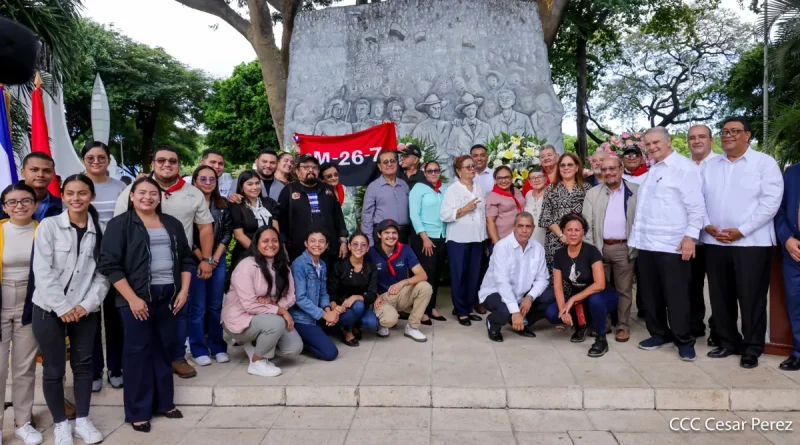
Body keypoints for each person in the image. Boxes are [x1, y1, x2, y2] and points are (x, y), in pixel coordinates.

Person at [99, 177, 192, 432]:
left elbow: (185, 258)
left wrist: (183, 291)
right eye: (142, 193)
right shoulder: (120, 225)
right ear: (131, 196)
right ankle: (138, 411)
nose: (147, 197)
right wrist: (132, 299)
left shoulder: (171, 223)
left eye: (153, 193)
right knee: (137, 353)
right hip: (135, 298)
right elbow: (109, 264)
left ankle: (164, 402)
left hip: (169, 297)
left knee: (164, 349)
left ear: (160, 197)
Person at [113, 145, 214, 379]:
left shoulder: (192, 193)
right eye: (161, 160)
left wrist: (207, 259)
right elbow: (119, 226)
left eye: (172, 161)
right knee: (141, 316)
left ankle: (177, 357)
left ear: (179, 165)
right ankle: (147, 360)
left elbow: (205, 227)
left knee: (178, 312)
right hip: (138, 267)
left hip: (178, 266)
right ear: (153, 164)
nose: (167, 164)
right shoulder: (133, 191)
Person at [32, 175, 108, 444]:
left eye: (83, 193)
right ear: (63, 196)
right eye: (71, 193)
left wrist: (85, 306)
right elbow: (42, 270)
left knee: (84, 364)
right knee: (53, 369)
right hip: (47, 308)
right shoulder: (49, 226)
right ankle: (61, 424)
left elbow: (103, 275)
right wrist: (62, 307)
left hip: (84, 309)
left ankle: (83, 420)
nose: (77, 198)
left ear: (92, 196)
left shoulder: (100, 230)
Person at [702, 117, 783, 369]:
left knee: (751, 298)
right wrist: (706, 224)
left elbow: (770, 202)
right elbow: (696, 199)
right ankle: (727, 342)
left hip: (752, 243)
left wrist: (742, 230)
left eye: (735, 131)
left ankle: (752, 347)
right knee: (720, 297)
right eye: (725, 131)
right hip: (715, 242)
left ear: (747, 135)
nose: (729, 135)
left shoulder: (764, 163)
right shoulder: (710, 165)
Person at [629, 127, 705, 361]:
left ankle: (683, 340)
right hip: (647, 243)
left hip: (672, 245)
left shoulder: (684, 168)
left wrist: (690, 237)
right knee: (651, 295)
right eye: (648, 144)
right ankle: (659, 333)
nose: (652, 148)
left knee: (677, 296)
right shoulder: (653, 169)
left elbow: (697, 208)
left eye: (656, 143)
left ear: (668, 141)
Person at [222, 225, 303, 377]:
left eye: (274, 240)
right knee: (277, 323)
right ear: (256, 243)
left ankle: (258, 344)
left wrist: (275, 306)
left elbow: (291, 296)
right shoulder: (246, 266)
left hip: (267, 315)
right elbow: (249, 305)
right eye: (265, 241)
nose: (270, 244)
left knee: (294, 347)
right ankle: (257, 362)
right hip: (240, 319)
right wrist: (280, 311)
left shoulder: (282, 266)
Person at [81, 141, 127, 392]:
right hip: (85, 262)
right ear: (84, 160)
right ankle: (94, 370)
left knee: (114, 318)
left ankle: (116, 369)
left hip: (115, 261)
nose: (96, 161)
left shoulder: (121, 187)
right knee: (89, 318)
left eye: (101, 157)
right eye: (91, 157)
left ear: (109, 160)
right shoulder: (77, 185)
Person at [0, 183, 43, 445]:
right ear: (4, 207)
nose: (20, 206)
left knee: (24, 367)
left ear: (35, 204)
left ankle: (22, 422)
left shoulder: (44, 231)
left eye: (26, 200)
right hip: (1, 299)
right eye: (12, 202)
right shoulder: (0, 230)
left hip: (30, 302)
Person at [545, 213, 618, 357]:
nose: (573, 234)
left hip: (603, 296)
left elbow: (600, 284)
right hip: (580, 299)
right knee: (552, 314)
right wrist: (563, 310)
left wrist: (572, 300)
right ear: (563, 231)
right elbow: (558, 287)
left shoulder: (592, 251)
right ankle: (581, 324)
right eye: (569, 230)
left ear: (583, 232)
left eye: (577, 230)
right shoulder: (559, 254)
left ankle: (601, 339)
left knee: (595, 299)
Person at [582, 157, 638, 342]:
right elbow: (586, 224)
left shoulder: (635, 191)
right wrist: (592, 251)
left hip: (624, 247)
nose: (608, 172)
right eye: (604, 169)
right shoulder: (592, 193)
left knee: (624, 289)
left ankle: (622, 325)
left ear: (621, 169)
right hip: (600, 247)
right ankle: (603, 323)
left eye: (612, 168)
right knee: (600, 288)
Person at [479, 212, 554, 342]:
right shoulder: (502, 247)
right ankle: (493, 323)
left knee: (551, 296)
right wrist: (514, 311)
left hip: (522, 294)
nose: (524, 230)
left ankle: (521, 322)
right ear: (514, 226)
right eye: (520, 226)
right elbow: (502, 282)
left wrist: (529, 298)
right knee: (506, 309)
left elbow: (543, 278)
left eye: (528, 226)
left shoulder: (537, 248)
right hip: (495, 293)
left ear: (533, 228)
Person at [187, 165, 233, 366]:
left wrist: (214, 257)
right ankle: (198, 348)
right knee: (198, 307)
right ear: (195, 180)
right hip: (195, 258)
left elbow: (227, 232)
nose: (207, 183)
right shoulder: (188, 204)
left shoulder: (222, 204)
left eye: (211, 179)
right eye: (203, 179)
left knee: (215, 306)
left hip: (218, 259)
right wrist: (203, 258)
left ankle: (217, 346)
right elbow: (187, 235)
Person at [441, 155, 487, 326]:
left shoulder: (479, 188)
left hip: (478, 238)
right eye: (467, 167)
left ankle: (468, 307)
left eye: (472, 166)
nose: (472, 169)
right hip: (458, 240)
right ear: (459, 171)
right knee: (459, 276)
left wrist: (485, 237)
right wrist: (464, 209)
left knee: (473, 275)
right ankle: (460, 311)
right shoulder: (452, 190)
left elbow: (482, 214)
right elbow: (445, 215)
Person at [367, 219, 432, 342]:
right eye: (387, 233)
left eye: (394, 232)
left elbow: (422, 275)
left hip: (400, 293)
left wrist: (403, 282)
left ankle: (412, 327)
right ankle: (383, 321)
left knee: (425, 286)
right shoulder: (371, 252)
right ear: (379, 235)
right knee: (390, 320)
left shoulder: (405, 249)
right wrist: (374, 296)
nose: (391, 236)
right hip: (381, 297)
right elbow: (365, 279)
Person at [277, 154, 348, 264]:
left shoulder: (327, 190)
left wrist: (343, 241)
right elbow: (282, 221)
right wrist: (283, 246)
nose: (310, 170)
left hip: (329, 251)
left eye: (314, 167)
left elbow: (338, 217)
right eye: (306, 167)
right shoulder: (289, 190)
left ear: (318, 171)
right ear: (297, 171)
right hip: (299, 251)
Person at [687, 125, 721, 346]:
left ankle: (718, 328)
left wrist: (708, 224)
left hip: (717, 237)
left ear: (711, 140)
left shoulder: (722, 164)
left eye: (701, 137)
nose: (696, 141)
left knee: (719, 287)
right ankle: (694, 325)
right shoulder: (682, 166)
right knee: (691, 285)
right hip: (690, 239)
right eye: (692, 137)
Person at [289, 230, 340, 361]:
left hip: (316, 316)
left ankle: (314, 335)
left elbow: (323, 292)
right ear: (306, 243)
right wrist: (324, 315)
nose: (317, 244)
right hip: (301, 318)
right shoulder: (299, 264)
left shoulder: (322, 265)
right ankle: (301, 343)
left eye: (321, 241)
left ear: (327, 245)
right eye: (313, 241)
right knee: (330, 353)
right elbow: (300, 299)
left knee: (340, 322)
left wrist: (328, 311)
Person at [409, 161, 448, 323]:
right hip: (425, 237)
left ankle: (432, 307)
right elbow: (414, 215)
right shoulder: (418, 188)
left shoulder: (445, 188)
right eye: (430, 171)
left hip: (442, 236)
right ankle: (422, 310)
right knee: (426, 274)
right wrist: (424, 237)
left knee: (437, 273)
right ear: (424, 173)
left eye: (436, 170)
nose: (433, 173)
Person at [539, 153, 591, 270]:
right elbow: (546, 216)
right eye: (562, 165)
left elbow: (591, 216)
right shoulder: (551, 188)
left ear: (577, 167)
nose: (566, 168)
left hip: (581, 240)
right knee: (558, 279)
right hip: (556, 241)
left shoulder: (586, 188)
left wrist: (576, 236)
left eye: (570, 165)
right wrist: (562, 235)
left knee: (580, 276)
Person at [328, 233, 381, 346]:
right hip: (341, 307)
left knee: (371, 323)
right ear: (349, 246)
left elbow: (372, 295)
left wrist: (355, 297)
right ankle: (347, 331)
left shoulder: (371, 267)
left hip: (360, 304)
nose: (359, 248)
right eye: (355, 244)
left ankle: (353, 325)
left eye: (363, 245)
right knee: (358, 305)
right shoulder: (339, 265)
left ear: (367, 248)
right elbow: (331, 291)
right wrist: (334, 306)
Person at [229, 170, 280, 272]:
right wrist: (259, 252)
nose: (255, 187)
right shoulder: (237, 206)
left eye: (257, 183)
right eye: (250, 184)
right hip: (246, 255)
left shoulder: (270, 203)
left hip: (270, 254)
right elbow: (239, 236)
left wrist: (272, 251)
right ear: (241, 186)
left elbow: (275, 231)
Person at [776, 161, 800, 371]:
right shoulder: (792, 173)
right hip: (794, 249)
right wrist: (787, 239)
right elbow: (780, 210)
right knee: (796, 303)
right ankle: (799, 352)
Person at [362, 150, 411, 246]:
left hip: (404, 235)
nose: (389, 164)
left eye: (392, 161)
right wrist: (369, 241)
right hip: (383, 235)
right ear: (380, 167)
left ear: (397, 163)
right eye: (385, 162)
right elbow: (367, 216)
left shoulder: (404, 184)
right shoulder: (373, 187)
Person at [0, 152, 62, 220]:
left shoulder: (62, 206)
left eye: (46, 171)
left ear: (53, 175)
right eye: (34, 170)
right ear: (23, 172)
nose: (40, 174)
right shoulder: (3, 203)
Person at [486, 166, 525, 245]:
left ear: (511, 178)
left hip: (520, 236)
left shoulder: (516, 191)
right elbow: (490, 222)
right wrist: (497, 244)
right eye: (500, 178)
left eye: (506, 177)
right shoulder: (492, 197)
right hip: (503, 239)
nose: (503, 181)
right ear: (495, 180)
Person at [320, 162, 356, 235]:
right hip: (331, 236)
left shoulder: (344, 189)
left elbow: (352, 213)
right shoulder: (320, 195)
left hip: (351, 235)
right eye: (329, 176)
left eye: (336, 174)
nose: (334, 178)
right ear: (322, 179)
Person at [523, 165, 548, 245]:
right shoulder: (528, 194)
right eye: (533, 178)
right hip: (529, 239)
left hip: (547, 238)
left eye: (539, 177)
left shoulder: (552, 194)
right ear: (529, 182)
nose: (536, 180)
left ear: (545, 179)